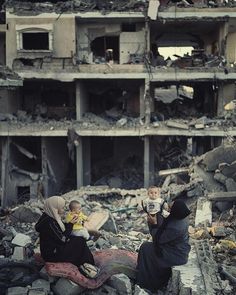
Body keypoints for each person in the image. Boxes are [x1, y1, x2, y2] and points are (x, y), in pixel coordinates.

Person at [136, 199, 191, 292]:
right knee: (147, 247)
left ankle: (147, 282)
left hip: (176, 254)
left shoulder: (176, 227)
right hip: (177, 248)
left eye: (170, 208)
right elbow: (166, 224)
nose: (168, 209)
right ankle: (145, 273)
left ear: (175, 210)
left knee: (146, 248)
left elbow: (158, 239)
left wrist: (152, 224)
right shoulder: (182, 216)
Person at [35, 196, 95, 268]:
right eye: (62, 207)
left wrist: (71, 224)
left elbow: (59, 231)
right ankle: (88, 265)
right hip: (52, 254)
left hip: (55, 247)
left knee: (79, 239)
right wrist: (71, 224)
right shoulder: (49, 222)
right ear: (55, 208)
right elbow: (63, 239)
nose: (63, 210)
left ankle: (88, 263)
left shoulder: (49, 216)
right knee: (79, 242)